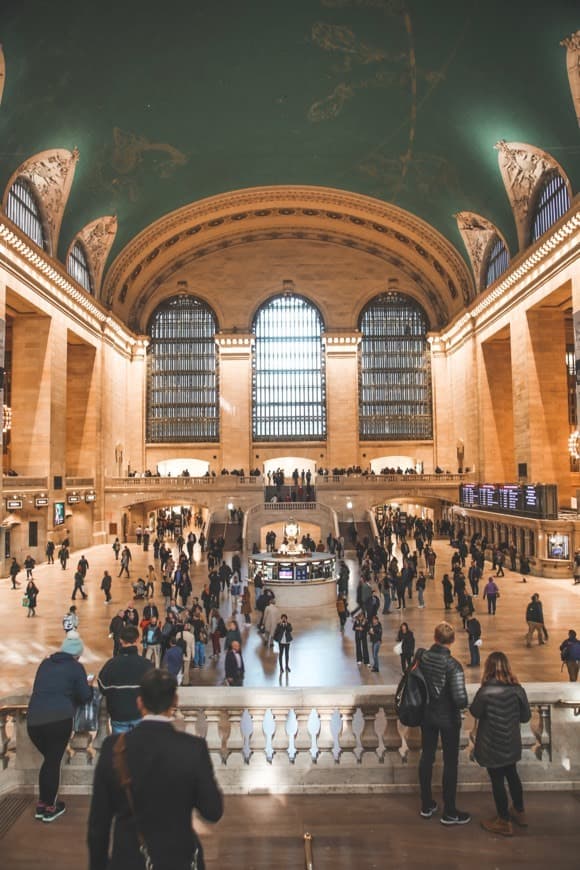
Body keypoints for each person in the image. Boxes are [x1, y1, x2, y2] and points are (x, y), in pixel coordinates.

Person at [88, 669, 223, 870]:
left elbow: (98, 825)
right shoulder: (193, 748)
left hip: (129, 860)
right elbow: (213, 811)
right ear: (175, 701)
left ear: (140, 703)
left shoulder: (113, 748)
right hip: (179, 859)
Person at [27, 633, 92, 822]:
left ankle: (42, 804)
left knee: (49, 761)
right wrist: (86, 684)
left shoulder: (45, 663)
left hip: (34, 721)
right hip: (58, 720)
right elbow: (85, 696)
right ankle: (49, 808)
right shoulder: (76, 667)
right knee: (53, 763)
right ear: (77, 654)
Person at [469, 651, 531, 836]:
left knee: (497, 780)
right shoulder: (517, 689)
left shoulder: (486, 691)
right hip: (510, 742)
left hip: (491, 744)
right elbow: (526, 717)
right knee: (512, 775)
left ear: (488, 668)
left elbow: (475, 712)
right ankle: (520, 812)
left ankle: (503, 820)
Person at [418, 621, 470, 825]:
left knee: (426, 758)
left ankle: (426, 804)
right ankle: (449, 811)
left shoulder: (422, 658)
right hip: (448, 719)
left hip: (427, 715)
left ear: (435, 638)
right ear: (453, 640)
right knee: (450, 763)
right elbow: (460, 700)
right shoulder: (453, 666)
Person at [98, 625, 154, 734]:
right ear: (138, 640)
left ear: (120, 640)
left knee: (120, 749)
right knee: (139, 749)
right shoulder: (147, 664)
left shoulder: (111, 664)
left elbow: (103, 688)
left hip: (119, 714)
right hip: (140, 714)